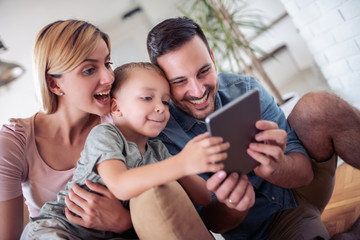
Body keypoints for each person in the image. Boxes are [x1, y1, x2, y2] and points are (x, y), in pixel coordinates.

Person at [146, 16, 360, 240]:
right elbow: (214, 224)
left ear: (212, 58)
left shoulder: (244, 88)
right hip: (269, 228)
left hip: (299, 187)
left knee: (319, 105)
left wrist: (277, 166)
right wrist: (232, 205)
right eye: (179, 81)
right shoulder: (162, 139)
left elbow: (305, 174)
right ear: (163, 83)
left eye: (203, 71)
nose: (198, 91)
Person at [21, 62, 234, 239]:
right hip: (59, 227)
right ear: (116, 108)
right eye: (147, 98)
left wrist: (196, 164)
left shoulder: (157, 151)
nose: (160, 107)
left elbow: (205, 197)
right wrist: (182, 163)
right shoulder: (105, 135)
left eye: (166, 102)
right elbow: (120, 184)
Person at [0, 20, 131, 240]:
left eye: (108, 63)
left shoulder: (121, 120)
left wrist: (124, 222)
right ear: (54, 84)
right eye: (89, 70)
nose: (109, 77)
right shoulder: (14, 144)